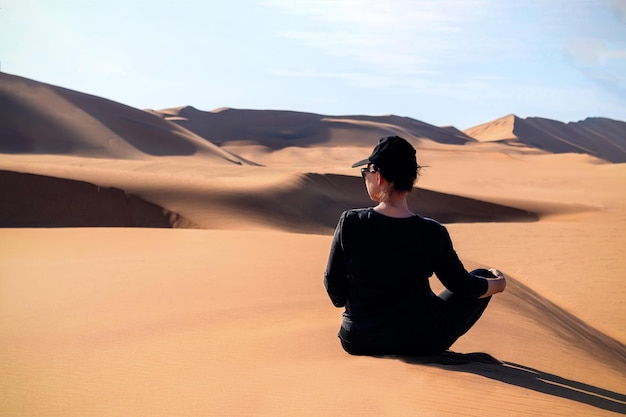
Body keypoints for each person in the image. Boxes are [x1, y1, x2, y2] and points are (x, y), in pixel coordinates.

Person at [324, 135, 506, 356]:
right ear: (411, 180)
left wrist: (360, 308)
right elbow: (463, 286)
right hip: (418, 341)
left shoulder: (350, 222)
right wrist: (498, 284)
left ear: (378, 176)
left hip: (358, 339)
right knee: (481, 275)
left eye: (366, 173)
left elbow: (333, 285)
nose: (365, 178)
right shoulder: (431, 232)